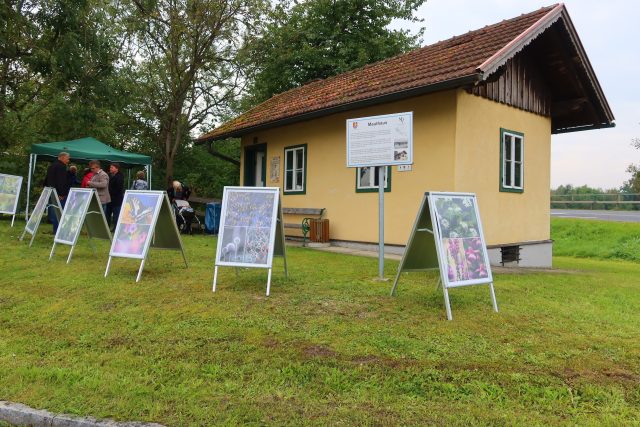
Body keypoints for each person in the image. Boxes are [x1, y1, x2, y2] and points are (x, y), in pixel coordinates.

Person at [44, 152, 71, 233]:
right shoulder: (62, 166)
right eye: (67, 158)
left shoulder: (51, 166)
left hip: (51, 191)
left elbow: (47, 179)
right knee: (60, 211)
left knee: (55, 210)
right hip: (59, 193)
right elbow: (61, 181)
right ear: (62, 157)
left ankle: (55, 230)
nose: (68, 160)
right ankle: (58, 231)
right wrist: (62, 194)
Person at [106, 162, 124, 230]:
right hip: (109, 199)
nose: (110, 169)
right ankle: (106, 228)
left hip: (116, 199)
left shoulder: (120, 176)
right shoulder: (109, 175)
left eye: (112, 167)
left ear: (117, 169)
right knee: (107, 214)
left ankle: (116, 229)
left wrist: (109, 191)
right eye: (110, 167)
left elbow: (118, 188)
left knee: (116, 215)